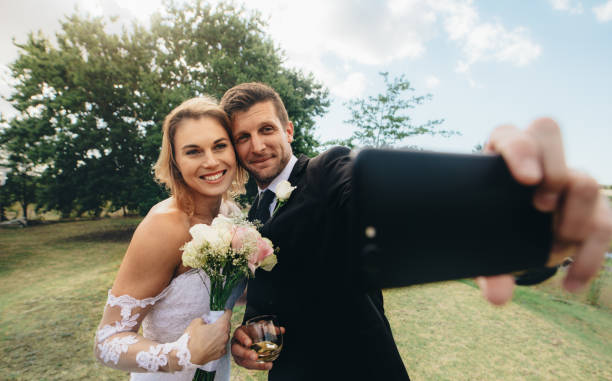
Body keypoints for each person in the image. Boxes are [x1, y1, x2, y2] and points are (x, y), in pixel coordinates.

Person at [221, 82, 612, 381]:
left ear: (288, 131)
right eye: (243, 137)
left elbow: (379, 202)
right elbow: (263, 303)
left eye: (266, 129)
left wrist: (513, 215)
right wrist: (246, 337)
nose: (257, 145)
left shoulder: (326, 171)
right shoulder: (250, 217)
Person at [94, 96, 247, 380]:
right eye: (193, 151)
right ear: (175, 161)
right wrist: (181, 355)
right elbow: (106, 343)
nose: (211, 161)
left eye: (219, 146)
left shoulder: (232, 215)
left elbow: (228, 292)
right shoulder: (163, 226)